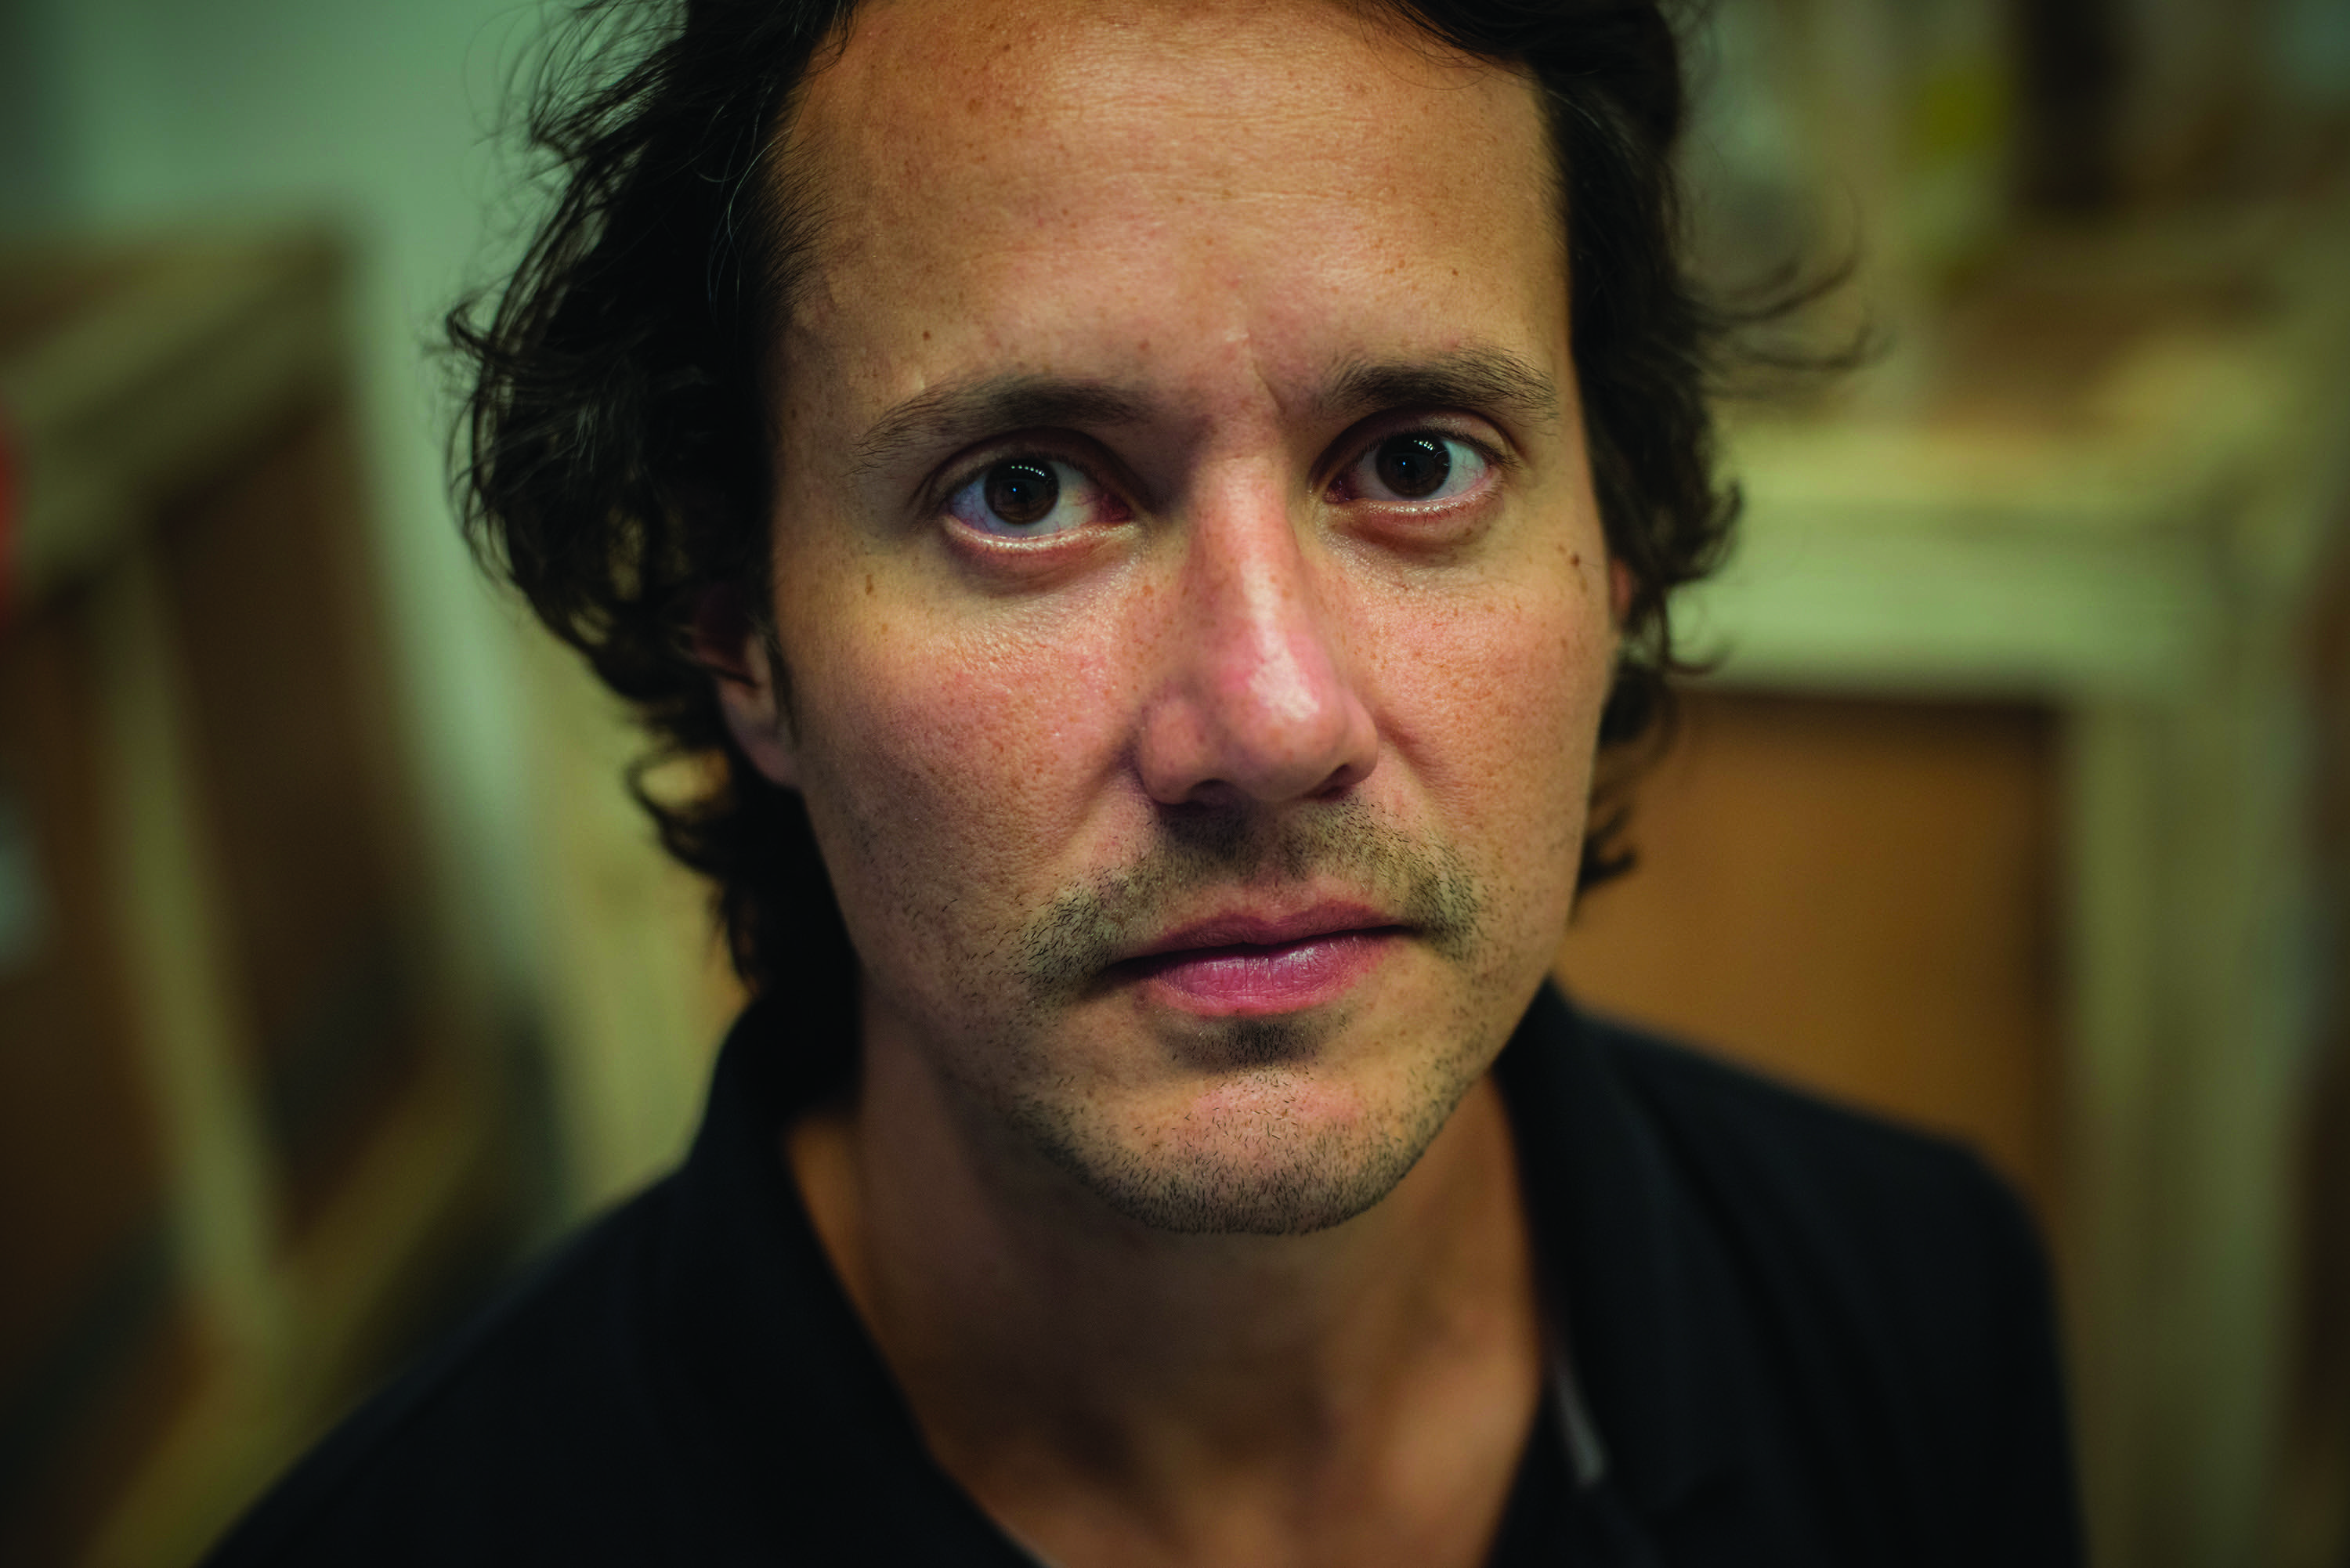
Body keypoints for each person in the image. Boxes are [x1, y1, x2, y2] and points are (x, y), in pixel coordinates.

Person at [205, 0, 2082, 1563]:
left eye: (1417, 461)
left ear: (1622, 557)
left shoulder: (1918, 1312)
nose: (1269, 718)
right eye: (1023, 490)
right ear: (739, 634)